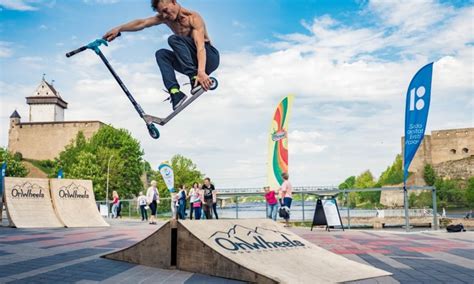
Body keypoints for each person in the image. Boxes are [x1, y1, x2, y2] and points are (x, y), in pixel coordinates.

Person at [102, 0, 220, 111]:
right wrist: (119, 28)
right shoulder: (165, 18)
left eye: (165, 10)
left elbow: (200, 47)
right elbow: (142, 23)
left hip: (209, 57)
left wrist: (201, 72)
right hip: (192, 62)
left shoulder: (193, 18)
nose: (164, 15)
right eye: (161, 13)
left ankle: (195, 78)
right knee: (161, 54)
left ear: (173, 2)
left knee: (174, 39)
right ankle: (175, 93)